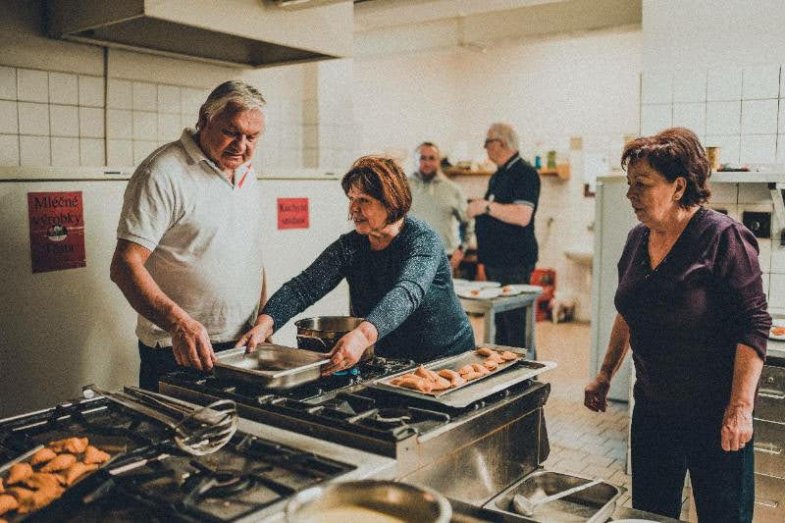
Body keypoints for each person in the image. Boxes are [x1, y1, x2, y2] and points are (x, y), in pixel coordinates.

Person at [584, 128, 770, 522]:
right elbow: (630, 310)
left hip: (715, 414)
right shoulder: (637, 239)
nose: (630, 194)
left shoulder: (723, 237)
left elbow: (753, 323)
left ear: (679, 186)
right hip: (654, 410)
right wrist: (604, 373)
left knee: (724, 515)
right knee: (651, 515)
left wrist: (740, 408)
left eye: (642, 184)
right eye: (630, 183)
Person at [242, 155, 475, 373]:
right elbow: (304, 287)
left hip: (446, 358)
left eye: (364, 200)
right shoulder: (351, 246)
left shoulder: (422, 240)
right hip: (391, 360)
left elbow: (407, 292)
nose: (354, 208)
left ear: (391, 202)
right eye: (352, 199)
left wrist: (362, 336)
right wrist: (266, 322)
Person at [110, 80, 268, 391]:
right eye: (231, 132)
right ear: (204, 119)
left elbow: (251, 253)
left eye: (252, 137)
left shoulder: (247, 173)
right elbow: (125, 265)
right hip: (180, 349)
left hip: (243, 346)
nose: (241, 146)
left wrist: (265, 318)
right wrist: (178, 323)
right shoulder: (162, 173)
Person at [467, 123, 540, 352]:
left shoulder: (524, 173)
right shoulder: (499, 175)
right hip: (496, 262)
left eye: (487, 142)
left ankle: (525, 371)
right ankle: (504, 370)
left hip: (514, 262)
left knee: (516, 328)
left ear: (500, 143)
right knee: (501, 328)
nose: (485, 147)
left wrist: (485, 207)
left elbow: (522, 216)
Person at [408, 142, 473, 274]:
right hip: (411, 258)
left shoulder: (453, 189)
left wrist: (462, 249)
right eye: (422, 158)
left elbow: (468, 222)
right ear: (415, 160)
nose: (427, 163)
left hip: (445, 259)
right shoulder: (403, 188)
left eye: (432, 158)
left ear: (439, 161)